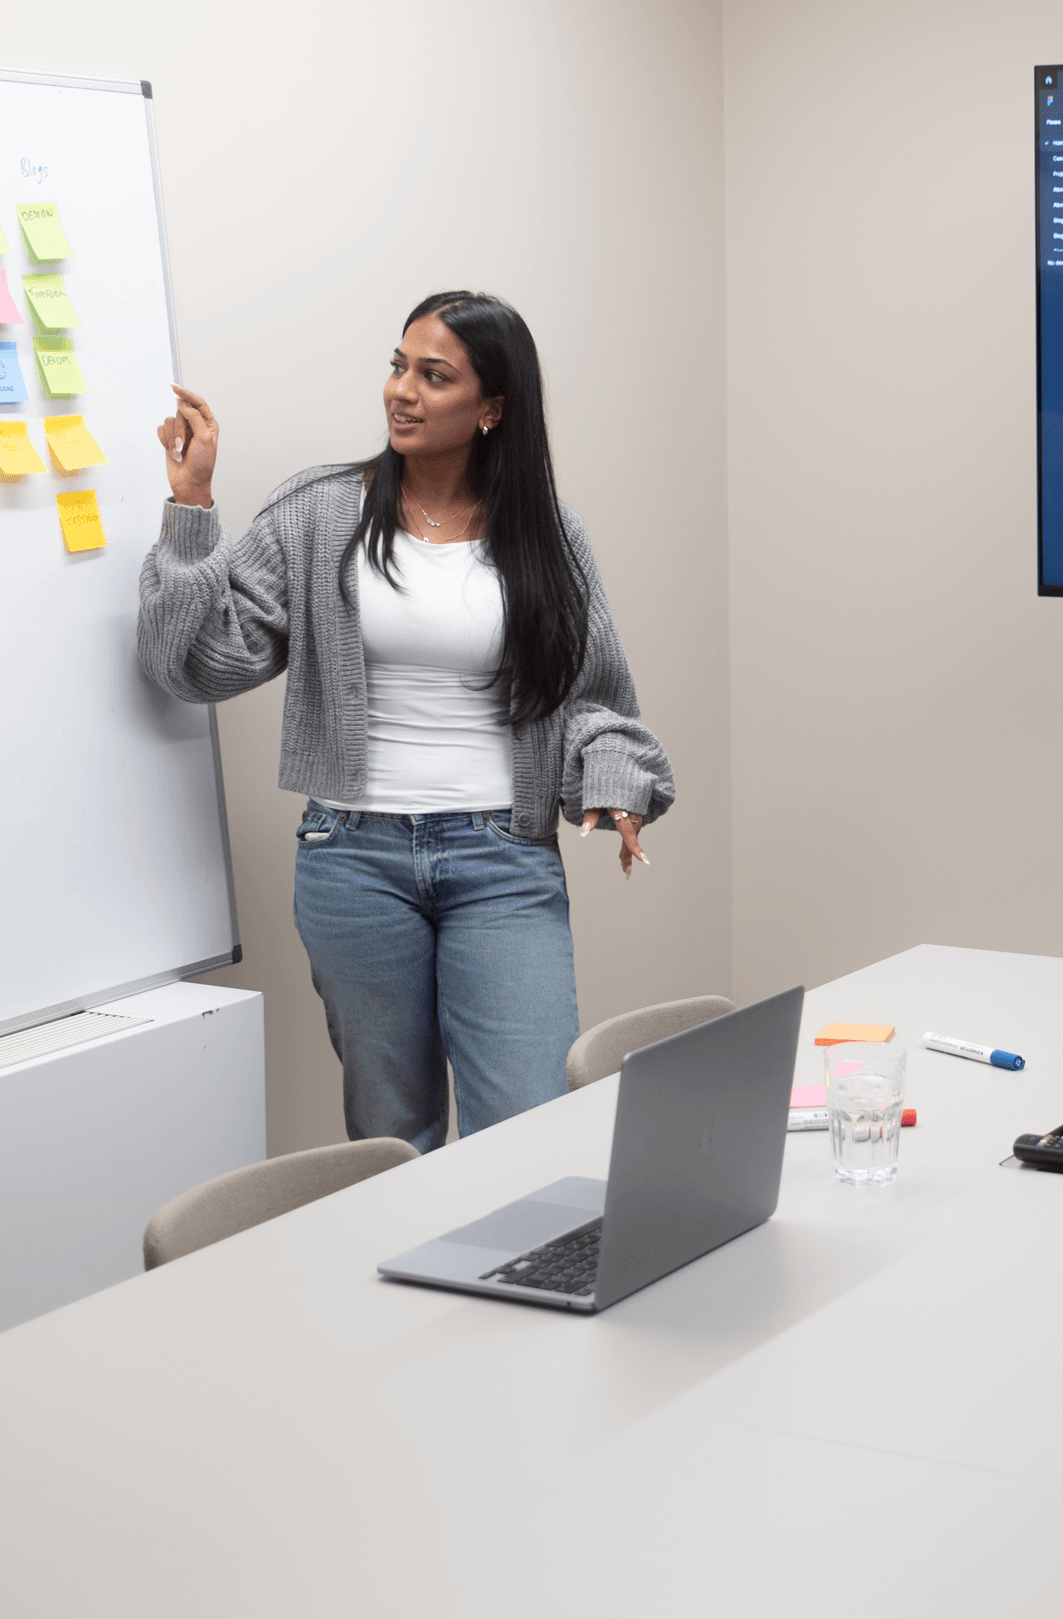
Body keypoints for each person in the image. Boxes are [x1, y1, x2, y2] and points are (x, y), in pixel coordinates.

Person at [138, 291, 672, 1153]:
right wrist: (194, 508)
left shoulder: (547, 539)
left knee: (529, 1125)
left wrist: (615, 787)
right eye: (398, 366)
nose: (402, 392)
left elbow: (597, 697)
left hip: (503, 855)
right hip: (353, 859)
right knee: (393, 1139)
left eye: (434, 376)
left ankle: (519, 1283)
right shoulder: (320, 512)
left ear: (492, 408)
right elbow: (191, 665)